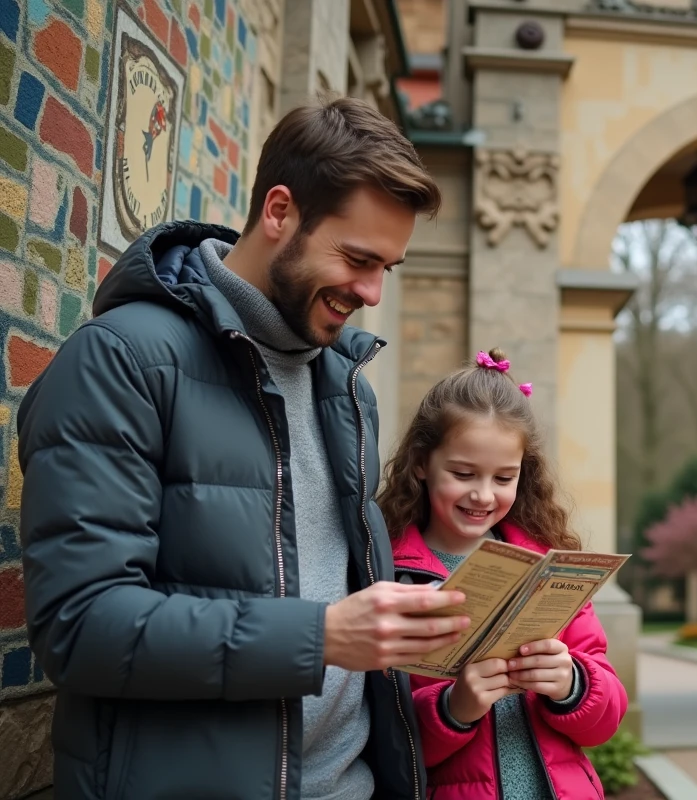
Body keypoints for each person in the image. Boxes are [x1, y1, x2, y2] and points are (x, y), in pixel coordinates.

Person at [17, 96, 473, 800]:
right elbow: (82, 626)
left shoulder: (346, 386)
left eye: (389, 266)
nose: (373, 293)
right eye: (357, 258)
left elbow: (315, 579)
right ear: (280, 212)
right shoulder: (120, 360)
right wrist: (321, 635)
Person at [381, 349, 628, 799]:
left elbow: (606, 719)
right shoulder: (388, 575)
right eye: (462, 473)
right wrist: (454, 708)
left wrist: (572, 684)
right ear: (421, 463)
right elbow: (381, 738)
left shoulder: (547, 564)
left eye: (503, 478)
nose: (482, 494)